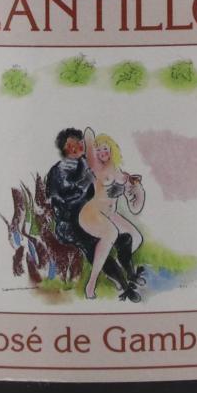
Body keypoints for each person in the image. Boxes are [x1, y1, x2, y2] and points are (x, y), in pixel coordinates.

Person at [44, 126, 146, 300]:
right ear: (63, 149)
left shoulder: (87, 162)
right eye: (70, 146)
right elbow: (59, 197)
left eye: (78, 144)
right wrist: (85, 184)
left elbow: (107, 178)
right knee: (99, 242)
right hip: (70, 222)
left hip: (95, 214)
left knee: (127, 238)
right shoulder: (59, 170)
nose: (75, 148)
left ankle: (126, 273)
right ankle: (116, 284)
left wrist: (125, 188)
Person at [77, 128, 146, 301]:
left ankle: (119, 269)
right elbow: (88, 137)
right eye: (99, 149)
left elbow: (135, 208)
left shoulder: (123, 175)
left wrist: (138, 191)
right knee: (111, 233)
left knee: (136, 237)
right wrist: (92, 141)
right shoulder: (96, 167)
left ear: (112, 150)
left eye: (105, 148)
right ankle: (91, 283)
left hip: (110, 214)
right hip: (92, 212)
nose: (102, 153)